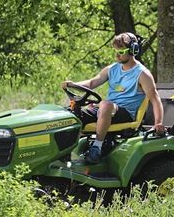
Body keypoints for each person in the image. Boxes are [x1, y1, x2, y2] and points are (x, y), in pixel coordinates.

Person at [61, 32, 164, 164]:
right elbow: (92, 83)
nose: (117, 55)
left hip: (126, 113)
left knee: (106, 105)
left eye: (121, 52)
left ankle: (96, 148)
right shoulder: (112, 69)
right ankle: (64, 154)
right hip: (106, 110)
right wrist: (72, 85)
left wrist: (158, 123)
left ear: (133, 50)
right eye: (115, 51)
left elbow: (155, 100)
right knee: (70, 114)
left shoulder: (142, 74)